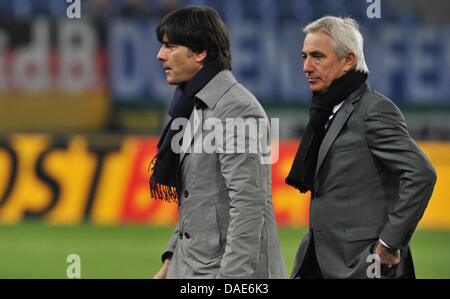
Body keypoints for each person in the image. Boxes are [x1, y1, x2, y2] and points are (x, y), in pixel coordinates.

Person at [286, 16, 436, 279]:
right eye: (304, 56)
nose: (306, 67)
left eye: (317, 56)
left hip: (365, 265)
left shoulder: (373, 110)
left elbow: (421, 174)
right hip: (320, 260)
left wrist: (389, 244)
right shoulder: (324, 112)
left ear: (348, 61)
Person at [151, 6, 286, 279]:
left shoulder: (237, 108)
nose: (160, 55)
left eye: (170, 46)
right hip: (192, 267)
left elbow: (249, 205)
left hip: (224, 273)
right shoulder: (193, 105)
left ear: (200, 52)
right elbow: (198, 201)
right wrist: (170, 261)